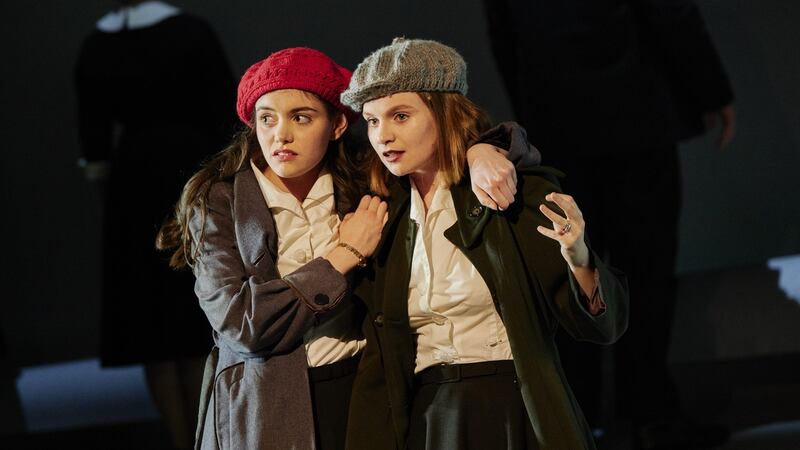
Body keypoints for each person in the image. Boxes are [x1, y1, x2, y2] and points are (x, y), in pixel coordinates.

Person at [156, 46, 534, 450]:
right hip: (264, 403)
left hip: (359, 393)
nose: (281, 134)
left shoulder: (362, 182)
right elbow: (242, 324)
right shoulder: (219, 201)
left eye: (301, 117)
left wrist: (482, 153)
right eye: (267, 118)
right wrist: (343, 256)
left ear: (337, 125)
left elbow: (475, 140)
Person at [340, 37, 629, 450]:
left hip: (511, 406)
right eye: (371, 121)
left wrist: (578, 255)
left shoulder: (507, 193)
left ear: (444, 113)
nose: (383, 135)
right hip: (426, 416)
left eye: (400, 116)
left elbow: (601, 326)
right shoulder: (381, 214)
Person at [481, 1, 735, 448]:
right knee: (645, 272)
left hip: (557, 118)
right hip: (636, 113)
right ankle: (651, 415)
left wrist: (534, 116)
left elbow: (504, 35)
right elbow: (670, 12)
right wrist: (711, 92)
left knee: (570, 268)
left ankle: (580, 418)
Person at [74, 1, 236, 447]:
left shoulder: (97, 44)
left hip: (133, 189)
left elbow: (94, 144)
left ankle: (185, 440)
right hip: (193, 175)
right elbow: (224, 110)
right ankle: (208, 438)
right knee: (195, 315)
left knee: (155, 326)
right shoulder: (191, 31)